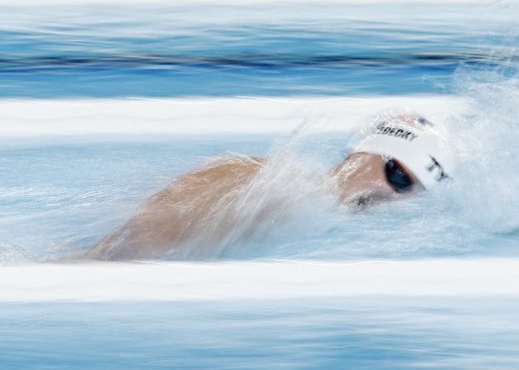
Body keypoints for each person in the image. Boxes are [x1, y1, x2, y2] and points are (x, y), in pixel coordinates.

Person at [85, 111, 454, 260]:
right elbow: (146, 231)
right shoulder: (288, 187)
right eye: (398, 176)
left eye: (408, 193)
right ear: (362, 156)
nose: (390, 196)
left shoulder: (310, 202)